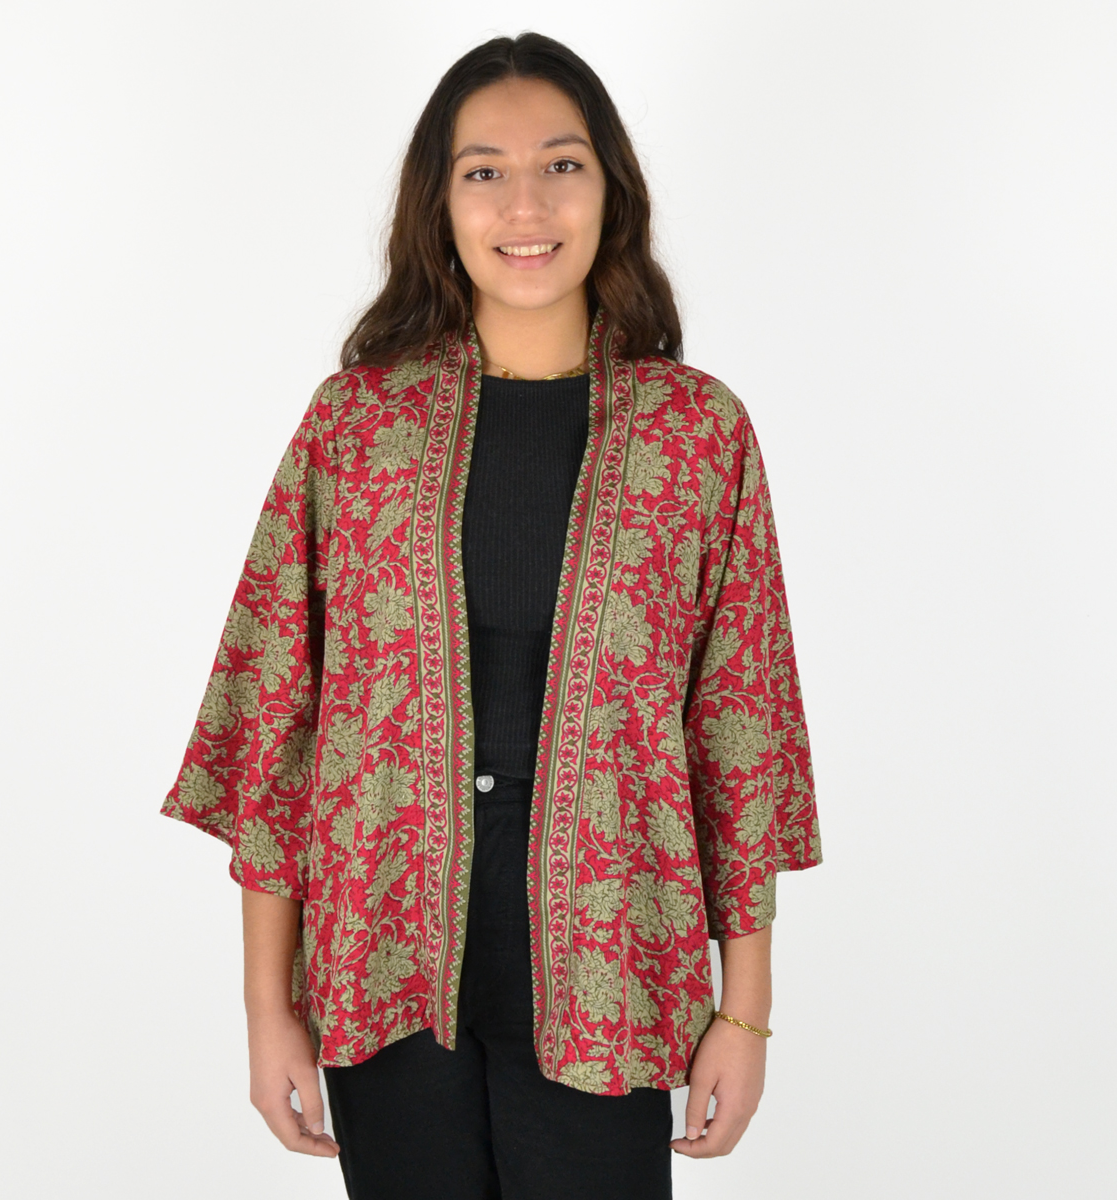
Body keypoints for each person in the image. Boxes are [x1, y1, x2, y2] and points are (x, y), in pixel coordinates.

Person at [162, 30, 822, 1200]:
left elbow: (742, 738)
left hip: (614, 959)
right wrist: (269, 1009)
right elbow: (277, 729)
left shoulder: (697, 434)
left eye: (562, 164)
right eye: (485, 171)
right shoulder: (353, 428)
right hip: (381, 955)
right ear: (440, 201)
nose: (527, 204)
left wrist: (746, 1013)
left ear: (611, 191)